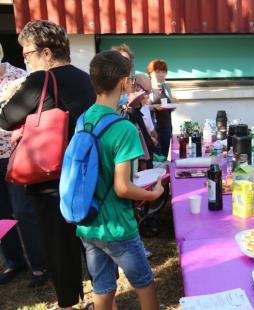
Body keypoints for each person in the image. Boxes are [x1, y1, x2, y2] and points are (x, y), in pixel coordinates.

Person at [0, 20, 95, 309]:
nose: (25, 59)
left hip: (50, 175)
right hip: (85, 170)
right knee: (89, 240)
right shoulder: (84, 78)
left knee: (58, 241)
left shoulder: (40, 80)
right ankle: (103, 298)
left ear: (46, 53)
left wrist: (10, 94)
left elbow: (6, 119)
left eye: (27, 53)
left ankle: (67, 303)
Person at [77, 50, 163, 310]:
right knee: (145, 283)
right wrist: (153, 194)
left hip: (88, 223)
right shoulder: (123, 127)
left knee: (102, 288)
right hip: (117, 226)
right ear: (124, 82)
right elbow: (123, 187)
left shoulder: (84, 118)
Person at [0, 43, 48, 288]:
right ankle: (13, 260)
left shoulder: (20, 77)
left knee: (23, 210)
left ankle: (40, 265)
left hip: (17, 154)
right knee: (2, 214)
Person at [146, 59, 179, 158]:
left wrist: (173, 104)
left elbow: (169, 107)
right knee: (155, 157)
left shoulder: (166, 87)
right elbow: (142, 108)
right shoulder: (147, 88)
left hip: (166, 126)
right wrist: (153, 107)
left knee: (164, 156)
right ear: (150, 73)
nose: (161, 74)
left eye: (163, 71)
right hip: (153, 128)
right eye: (157, 71)